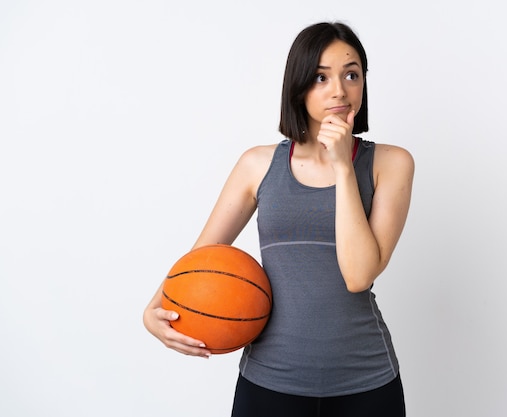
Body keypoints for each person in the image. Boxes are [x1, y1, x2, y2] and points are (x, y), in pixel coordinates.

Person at [143, 21, 414, 417]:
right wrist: (154, 310)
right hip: (269, 382)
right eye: (321, 77)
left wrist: (342, 167)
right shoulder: (257, 164)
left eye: (351, 74)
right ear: (299, 85)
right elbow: (201, 258)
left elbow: (359, 276)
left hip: (367, 382)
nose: (339, 89)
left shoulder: (390, 164)